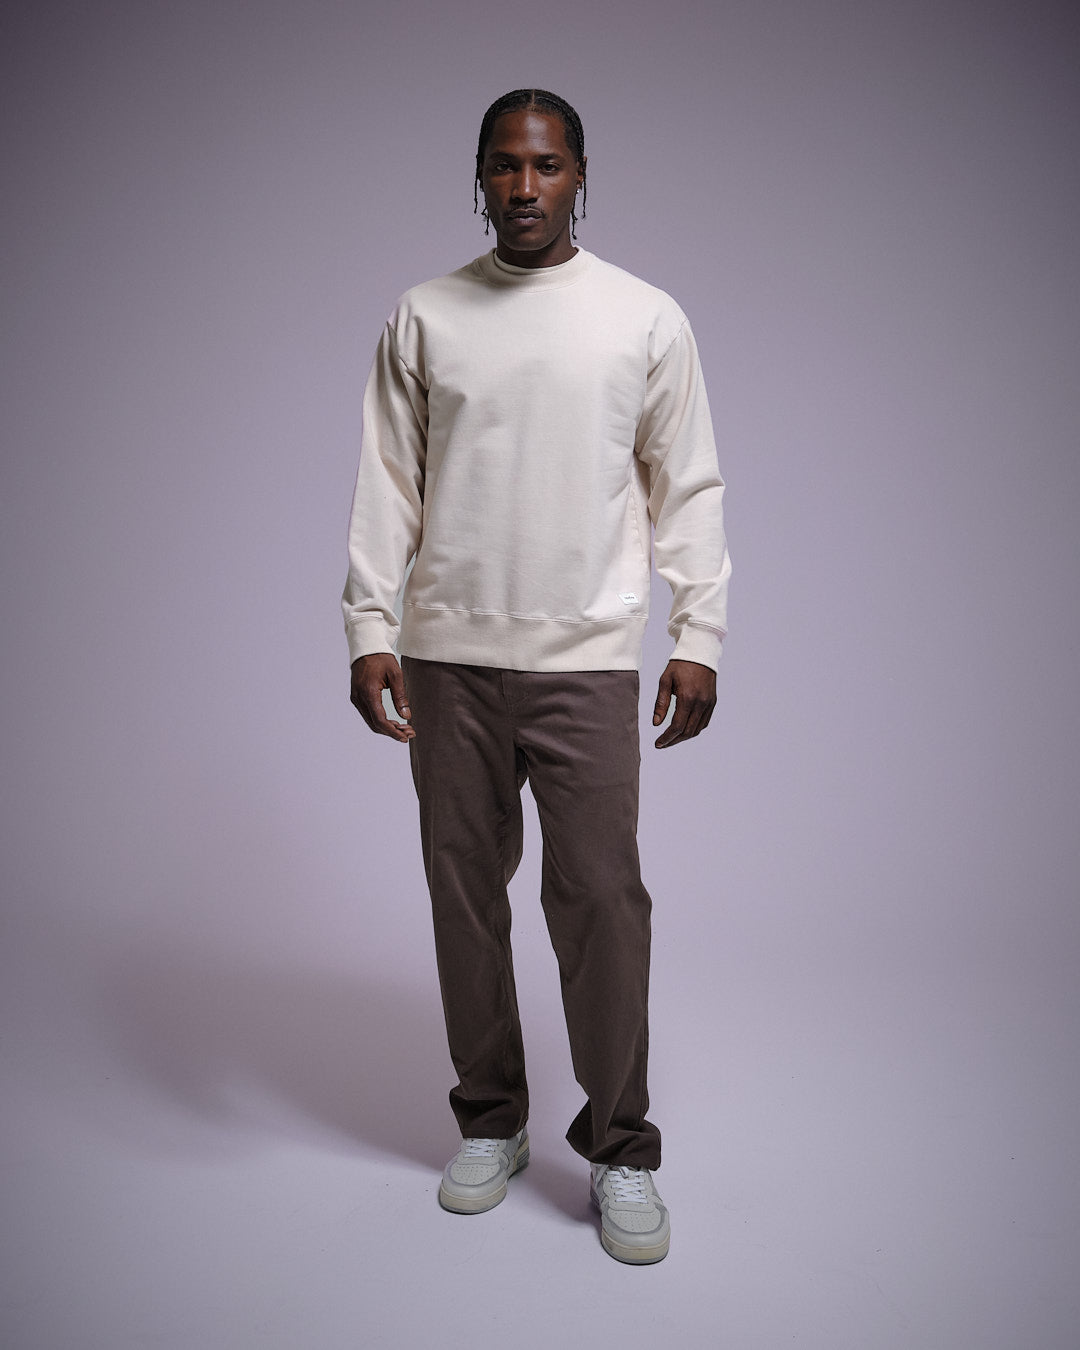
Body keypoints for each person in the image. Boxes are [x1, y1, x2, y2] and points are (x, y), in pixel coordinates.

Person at [343, 89, 730, 1265]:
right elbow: (388, 483)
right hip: (448, 658)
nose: (525, 186)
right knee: (464, 897)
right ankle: (491, 1121)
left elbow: (688, 483)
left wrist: (699, 635)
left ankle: (621, 1148)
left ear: (579, 175)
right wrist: (369, 626)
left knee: (602, 902)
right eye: (505, 165)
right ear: (479, 176)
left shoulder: (643, 317)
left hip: (584, 663)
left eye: (547, 165)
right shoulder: (426, 315)